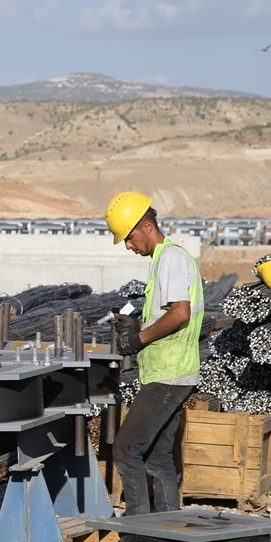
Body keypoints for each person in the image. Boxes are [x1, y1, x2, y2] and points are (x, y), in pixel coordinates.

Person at [103, 191, 204, 515]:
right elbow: (167, 312)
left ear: (146, 226)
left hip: (168, 375)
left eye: (129, 238)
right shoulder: (163, 259)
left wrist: (138, 339)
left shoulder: (170, 258)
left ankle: (138, 530)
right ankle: (165, 532)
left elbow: (180, 313)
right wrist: (136, 323)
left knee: (126, 449)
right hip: (172, 373)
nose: (129, 246)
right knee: (159, 456)